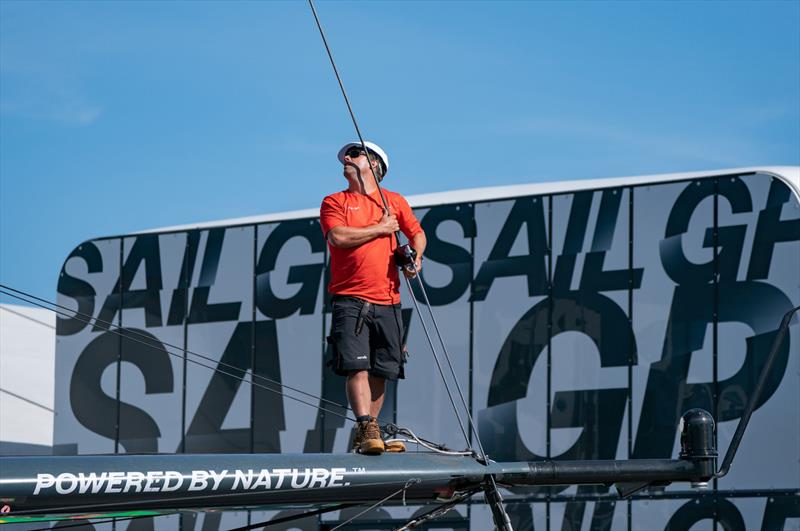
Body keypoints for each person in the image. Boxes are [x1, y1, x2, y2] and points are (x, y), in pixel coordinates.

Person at [319, 141, 426, 455]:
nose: (347, 159)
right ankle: (366, 425)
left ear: (375, 166)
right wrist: (380, 228)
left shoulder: (394, 201)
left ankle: (369, 432)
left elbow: (417, 234)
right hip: (350, 297)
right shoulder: (335, 200)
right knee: (357, 366)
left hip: (389, 299)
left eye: (356, 154)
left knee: (384, 369)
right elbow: (338, 237)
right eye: (347, 156)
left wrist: (415, 258)